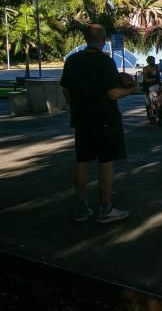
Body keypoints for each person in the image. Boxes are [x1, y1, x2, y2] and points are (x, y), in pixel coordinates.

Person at [60, 24, 137, 224]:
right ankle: (106, 209)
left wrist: (76, 108)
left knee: (82, 161)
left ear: (86, 39)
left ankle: (81, 207)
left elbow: (66, 90)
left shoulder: (72, 60)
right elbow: (113, 93)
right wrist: (132, 89)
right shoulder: (105, 62)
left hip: (81, 119)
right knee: (106, 162)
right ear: (103, 39)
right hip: (105, 120)